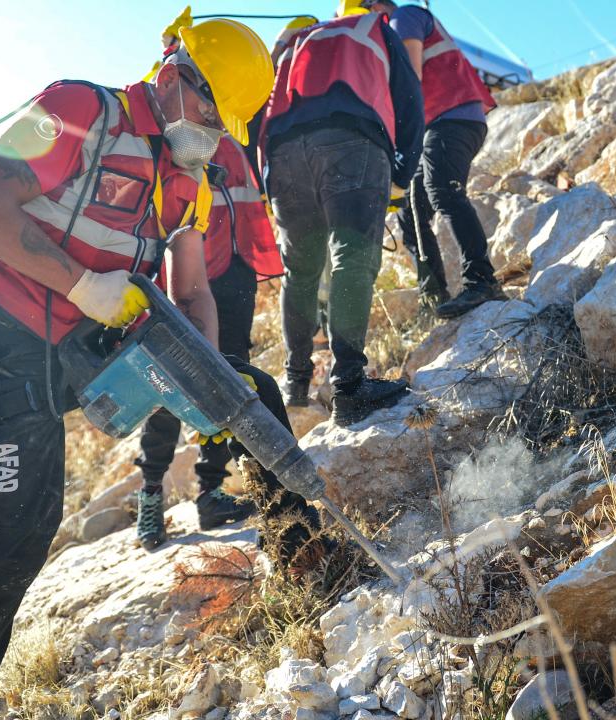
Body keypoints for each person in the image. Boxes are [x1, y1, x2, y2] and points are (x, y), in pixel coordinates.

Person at [0, 20, 273, 719]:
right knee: (22, 529)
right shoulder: (77, 110)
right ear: (173, 74)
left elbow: (193, 293)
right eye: (209, 114)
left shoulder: (188, 182)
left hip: (79, 351)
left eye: (224, 126)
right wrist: (82, 284)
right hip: (4, 343)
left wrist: (213, 388)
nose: (213, 134)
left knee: (250, 389)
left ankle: (300, 540)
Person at [132, 15, 316, 552]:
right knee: (169, 381)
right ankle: (150, 495)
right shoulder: (170, 116)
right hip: (184, 267)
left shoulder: (226, 113)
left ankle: (211, 491)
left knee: (229, 376)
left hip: (234, 264)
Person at [261, 8, 425, 426]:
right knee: (352, 256)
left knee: (300, 271)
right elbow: (410, 97)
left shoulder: (294, 41)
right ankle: (349, 387)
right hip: (352, 138)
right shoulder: (375, 27)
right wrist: (402, 174)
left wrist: (265, 172)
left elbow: (260, 104)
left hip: (283, 151)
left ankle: (296, 381)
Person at [348, 0, 504, 319]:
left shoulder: (404, 17)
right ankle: (432, 295)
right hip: (437, 124)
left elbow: (410, 79)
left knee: (443, 191)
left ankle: (482, 281)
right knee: (412, 209)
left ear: (374, 7)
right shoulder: (395, 27)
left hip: (454, 118)